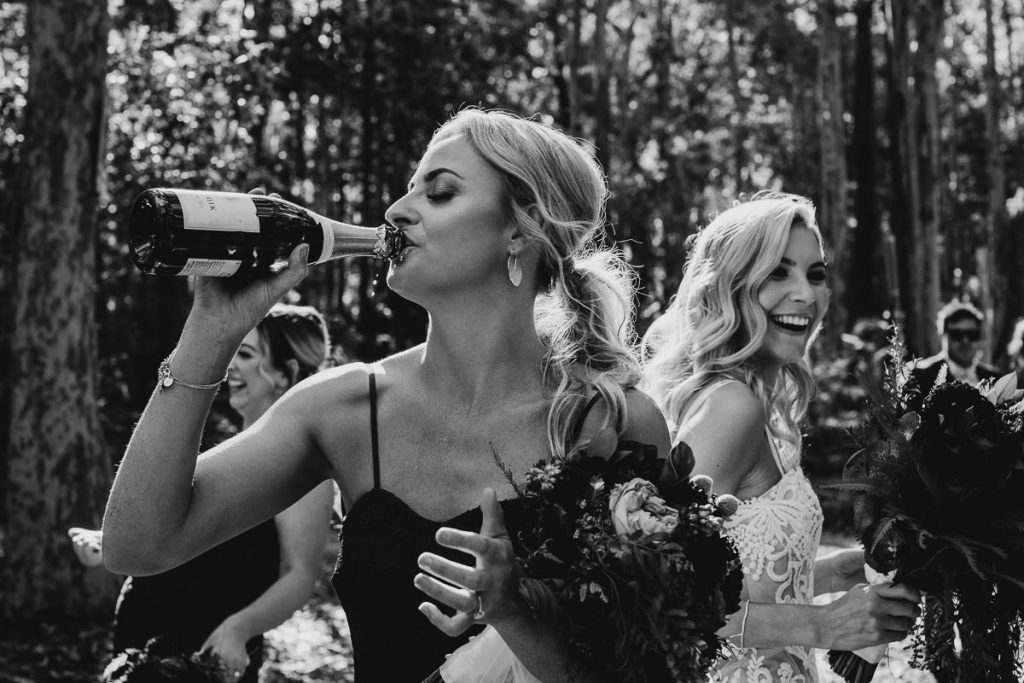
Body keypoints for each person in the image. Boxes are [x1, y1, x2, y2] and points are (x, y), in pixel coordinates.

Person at [102, 108, 671, 682]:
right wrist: (210, 330)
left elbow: (655, 669)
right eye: (407, 189)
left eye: (441, 192)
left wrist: (515, 613)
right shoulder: (341, 408)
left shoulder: (613, 425)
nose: (397, 210)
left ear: (521, 230)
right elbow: (137, 546)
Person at [642, 193, 921, 682]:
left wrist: (833, 574)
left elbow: (733, 586)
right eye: (778, 272)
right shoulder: (733, 407)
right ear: (729, 286)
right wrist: (825, 623)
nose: (806, 294)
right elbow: (659, 599)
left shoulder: (759, 405)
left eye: (815, 274)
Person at [73, 304, 335, 682]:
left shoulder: (301, 467)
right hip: (140, 643)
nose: (230, 365)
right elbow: (183, 538)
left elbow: (298, 576)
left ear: (286, 372)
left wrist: (239, 629)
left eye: (245, 354)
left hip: (208, 658)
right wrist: (111, 544)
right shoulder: (227, 448)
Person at [908, 299, 1000, 391]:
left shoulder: (996, 379)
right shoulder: (921, 376)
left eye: (972, 335)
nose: (965, 341)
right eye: (957, 335)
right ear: (942, 336)